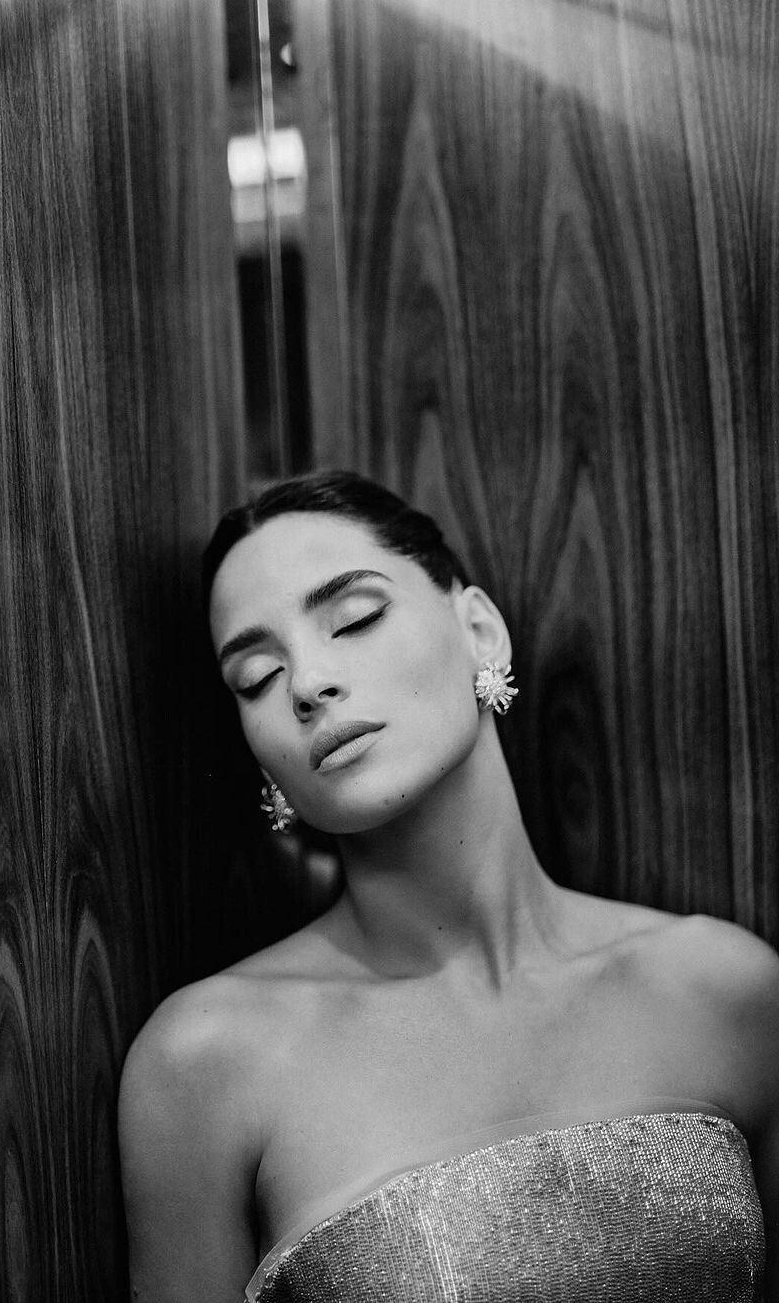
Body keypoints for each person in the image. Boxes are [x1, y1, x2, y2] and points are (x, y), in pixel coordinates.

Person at [118, 470, 779, 1302]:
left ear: (479, 631)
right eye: (256, 676)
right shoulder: (207, 1063)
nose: (308, 683)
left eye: (354, 619)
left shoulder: (725, 992)